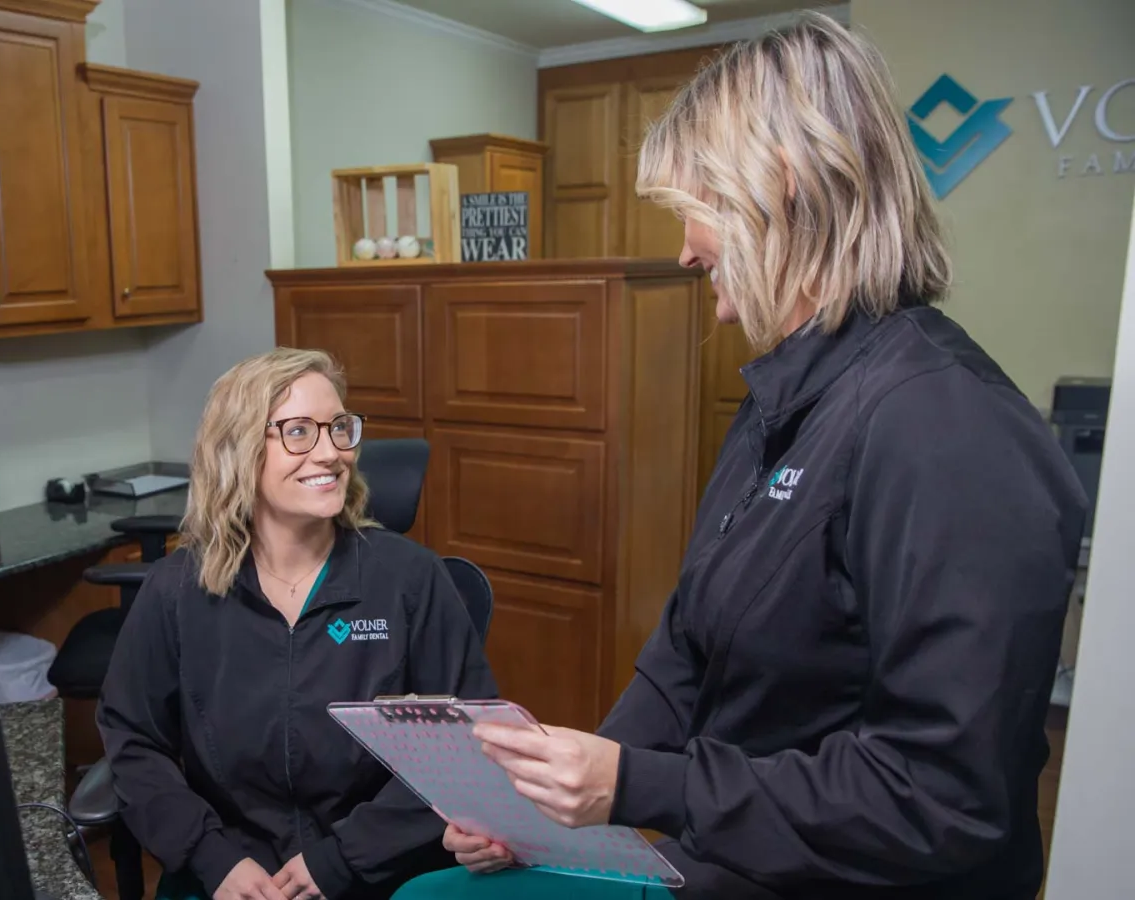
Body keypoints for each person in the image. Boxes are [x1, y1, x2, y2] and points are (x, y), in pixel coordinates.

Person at [441, 12, 1086, 900]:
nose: (683, 250)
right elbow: (688, 652)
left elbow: (941, 798)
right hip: (728, 861)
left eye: (695, 212)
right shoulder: (781, 402)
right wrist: (561, 794)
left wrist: (638, 786)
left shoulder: (947, 429)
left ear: (780, 185)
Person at [98, 347, 498, 900]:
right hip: (227, 874)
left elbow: (467, 745)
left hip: (379, 872)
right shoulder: (175, 591)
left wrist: (343, 858)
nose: (331, 453)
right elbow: (135, 742)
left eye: (339, 428)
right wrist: (213, 860)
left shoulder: (410, 580)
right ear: (238, 451)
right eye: (298, 432)